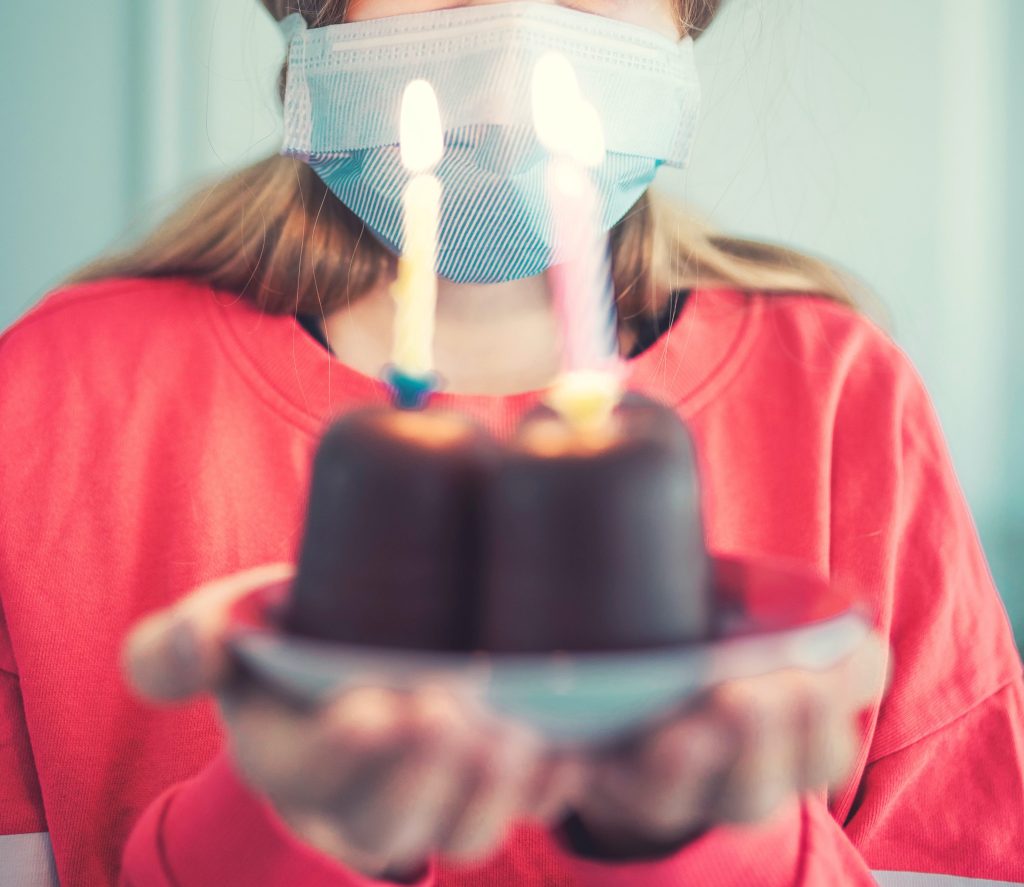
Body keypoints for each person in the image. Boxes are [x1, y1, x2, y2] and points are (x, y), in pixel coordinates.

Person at [1, 0, 1021, 885]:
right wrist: (277, 832)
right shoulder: (50, 406)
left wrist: (705, 833)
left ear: (682, 21)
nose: (513, 45)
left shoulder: (843, 403)